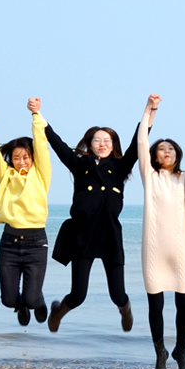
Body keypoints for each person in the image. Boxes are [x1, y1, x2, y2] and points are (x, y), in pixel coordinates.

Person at [134, 95, 185, 369]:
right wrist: (148, 111)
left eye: (171, 149)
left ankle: (181, 350)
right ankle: (160, 353)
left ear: (177, 155)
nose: (166, 152)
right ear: (154, 157)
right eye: (161, 149)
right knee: (156, 306)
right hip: (153, 252)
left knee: (183, 306)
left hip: (180, 252)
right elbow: (142, 142)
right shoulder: (149, 177)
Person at [43, 114, 142, 334]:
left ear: (113, 145)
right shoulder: (80, 165)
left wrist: (149, 113)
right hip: (83, 234)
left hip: (110, 235)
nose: (102, 144)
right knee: (78, 296)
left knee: (118, 295)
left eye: (107, 140)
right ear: (90, 144)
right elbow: (59, 147)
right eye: (97, 140)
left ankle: (125, 310)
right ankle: (58, 312)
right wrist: (41, 119)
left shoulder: (120, 166)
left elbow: (136, 146)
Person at [0, 98, 53, 327]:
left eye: (26, 157)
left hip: (36, 243)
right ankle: (21, 305)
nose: (21, 162)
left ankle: (37, 300)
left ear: (32, 158)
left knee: (31, 299)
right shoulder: (5, 176)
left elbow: (41, 144)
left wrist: (36, 115)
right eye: (16, 158)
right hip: (9, 243)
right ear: (11, 159)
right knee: (8, 300)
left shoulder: (40, 175)